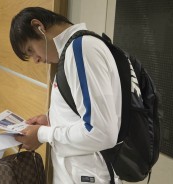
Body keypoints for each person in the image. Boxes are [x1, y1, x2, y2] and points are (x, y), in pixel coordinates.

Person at [10, 7, 122, 184]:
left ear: (38, 26)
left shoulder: (81, 50)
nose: (36, 60)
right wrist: (51, 120)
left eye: (31, 50)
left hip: (88, 175)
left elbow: (101, 132)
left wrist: (42, 134)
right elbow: (84, 113)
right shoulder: (73, 51)